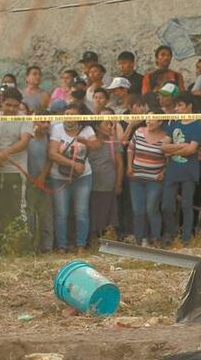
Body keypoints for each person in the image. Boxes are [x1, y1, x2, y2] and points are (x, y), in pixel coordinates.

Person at [0, 88, 32, 254]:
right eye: (8, 105)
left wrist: (6, 152)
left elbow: (24, 141)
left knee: (17, 209)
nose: (12, 109)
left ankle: (21, 247)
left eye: (15, 106)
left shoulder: (24, 119)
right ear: (1, 102)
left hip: (16, 171)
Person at [48, 103, 98, 252]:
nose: (69, 117)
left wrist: (87, 141)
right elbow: (52, 154)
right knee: (61, 213)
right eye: (67, 114)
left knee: (81, 212)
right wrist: (73, 164)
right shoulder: (56, 128)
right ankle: (62, 246)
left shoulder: (87, 130)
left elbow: (96, 146)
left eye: (73, 114)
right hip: (59, 176)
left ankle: (81, 246)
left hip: (83, 176)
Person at [160, 95, 201, 244]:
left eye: (180, 105)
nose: (177, 108)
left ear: (189, 106)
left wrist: (171, 150)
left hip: (189, 170)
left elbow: (192, 150)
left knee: (187, 204)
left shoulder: (198, 125)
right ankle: (171, 233)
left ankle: (186, 238)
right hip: (173, 171)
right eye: (176, 106)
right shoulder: (174, 123)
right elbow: (163, 147)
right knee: (166, 205)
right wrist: (181, 146)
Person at [127, 115, 171, 246]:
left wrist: (164, 172)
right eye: (148, 118)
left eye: (153, 119)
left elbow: (170, 157)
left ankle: (155, 238)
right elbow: (130, 148)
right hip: (136, 177)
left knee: (152, 209)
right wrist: (129, 166)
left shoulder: (166, 137)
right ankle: (139, 239)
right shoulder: (139, 131)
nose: (149, 121)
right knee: (138, 210)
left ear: (160, 121)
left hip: (155, 179)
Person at [88, 110, 124, 242]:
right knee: (92, 212)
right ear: (97, 127)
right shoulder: (90, 142)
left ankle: (108, 240)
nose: (110, 127)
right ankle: (92, 241)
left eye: (111, 124)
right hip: (91, 184)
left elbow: (120, 165)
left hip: (108, 184)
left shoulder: (114, 143)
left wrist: (118, 184)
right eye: (106, 124)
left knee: (109, 213)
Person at [26, 112, 54, 253]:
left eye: (48, 122)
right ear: (35, 122)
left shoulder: (50, 139)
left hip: (46, 181)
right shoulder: (27, 139)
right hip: (29, 182)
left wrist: (42, 176)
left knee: (46, 215)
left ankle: (47, 247)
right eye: (43, 122)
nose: (46, 125)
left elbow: (50, 159)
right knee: (30, 214)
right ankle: (30, 247)